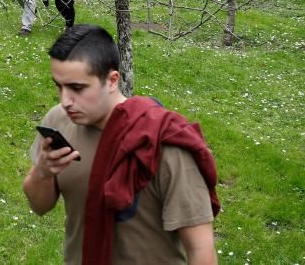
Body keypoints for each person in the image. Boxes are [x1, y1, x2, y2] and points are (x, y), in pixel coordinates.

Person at [23, 25, 220, 265]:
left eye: (77, 88)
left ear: (112, 80)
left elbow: (201, 249)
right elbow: (39, 206)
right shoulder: (58, 122)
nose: (65, 101)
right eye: (58, 86)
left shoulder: (161, 141)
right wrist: (43, 172)